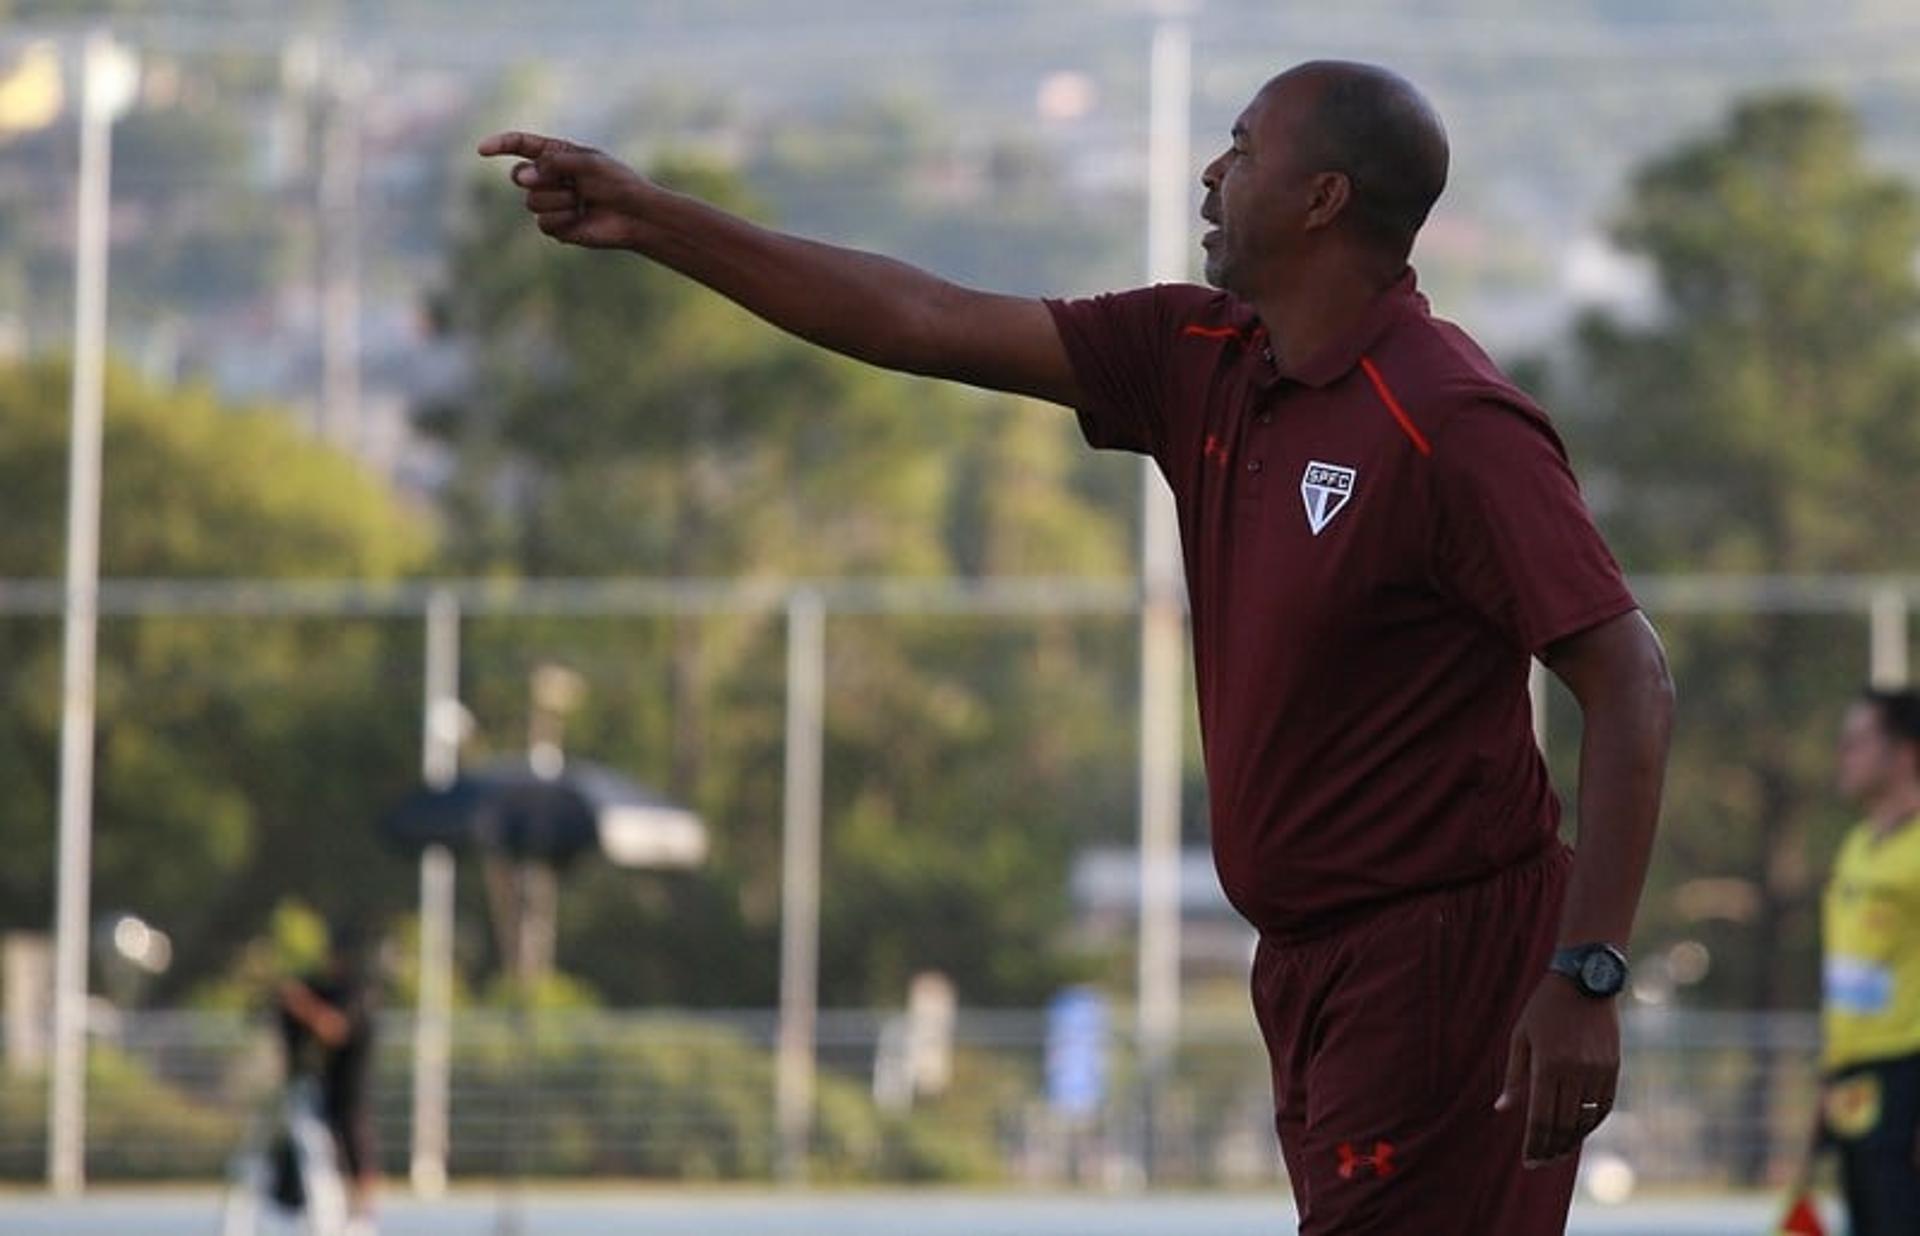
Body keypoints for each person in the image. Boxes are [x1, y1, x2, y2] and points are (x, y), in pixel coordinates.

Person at [479, 58, 1674, 1233]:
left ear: (1324, 200)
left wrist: (1588, 974)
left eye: (1246, 151)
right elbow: (924, 316)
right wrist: (654, 220)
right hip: (1312, 967)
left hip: (1443, 967)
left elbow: (1630, 683)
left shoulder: (1451, 420)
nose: (1212, 175)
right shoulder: (1198, 357)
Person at [1820, 687, 1920, 1234]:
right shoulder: (1858, 843)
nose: (1843, 753)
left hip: (1908, 1076)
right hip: (1854, 1082)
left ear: (1904, 753)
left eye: (1858, 741)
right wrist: (1829, 1075)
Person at [278, 923, 379, 1233]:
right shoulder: (329, 988)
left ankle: (364, 1218)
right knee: (317, 1153)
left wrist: (301, 1003)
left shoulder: (358, 994)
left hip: (350, 1089)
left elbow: (334, 1029)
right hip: (323, 1089)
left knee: (356, 1150)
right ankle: (331, 1214)